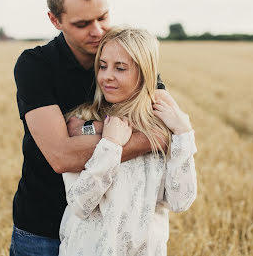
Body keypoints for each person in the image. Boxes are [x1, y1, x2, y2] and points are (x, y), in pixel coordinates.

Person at [10, 0, 168, 256]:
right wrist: (143, 138)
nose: (98, 31)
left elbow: (166, 128)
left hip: (110, 233)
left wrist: (93, 132)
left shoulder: (129, 56)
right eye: (82, 24)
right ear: (54, 20)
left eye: (103, 16)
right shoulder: (36, 66)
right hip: (42, 230)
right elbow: (61, 157)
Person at [59, 27, 197, 256]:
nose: (106, 76)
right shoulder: (83, 122)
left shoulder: (161, 129)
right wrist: (110, 146)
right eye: (102, 66)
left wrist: (183, 133)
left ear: (145, 73)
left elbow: (180, 201)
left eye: (120, 68)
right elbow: (80, 204)